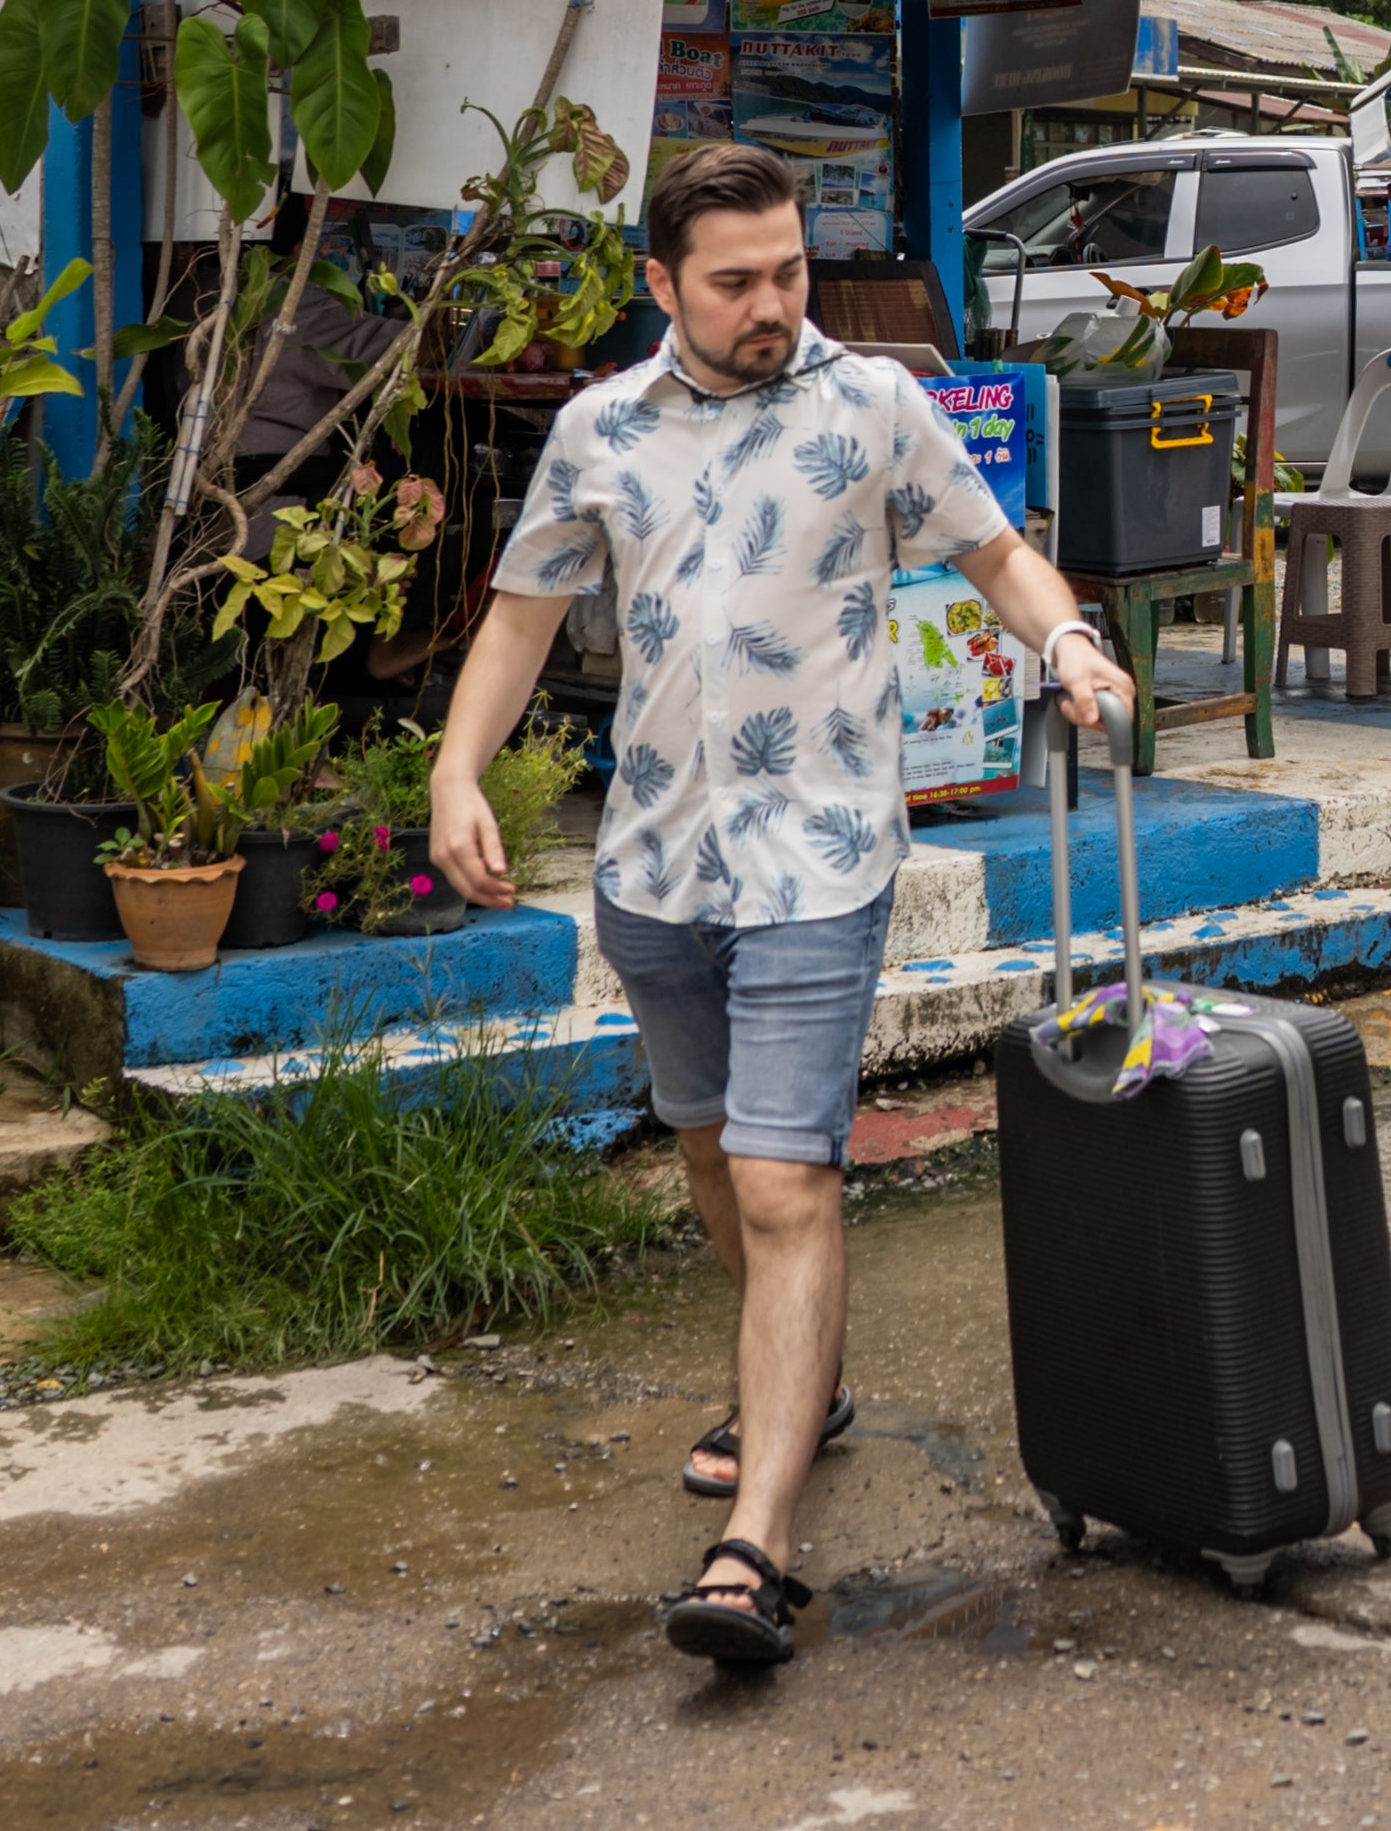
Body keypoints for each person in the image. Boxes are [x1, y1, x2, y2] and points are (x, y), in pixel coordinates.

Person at [429, 140, 1134, 1666]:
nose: (770, 304)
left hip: (822, 853)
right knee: (707, 1144)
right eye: (735, 279)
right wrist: (456, 772)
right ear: (661, 283)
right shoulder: (598, 427)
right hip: (657, 859)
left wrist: (1067, 642)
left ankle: (755, 1541)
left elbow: (998, 551)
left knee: (782, 1177)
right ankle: (798, 1385)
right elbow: (521, 615)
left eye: (788, 271)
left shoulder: (875, 402)